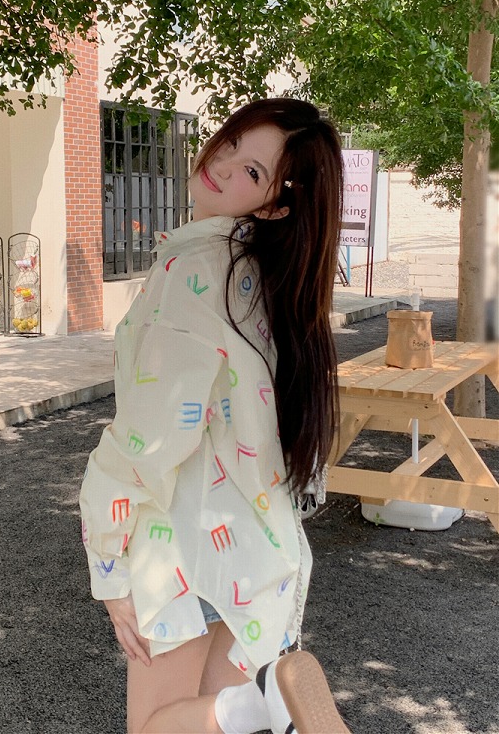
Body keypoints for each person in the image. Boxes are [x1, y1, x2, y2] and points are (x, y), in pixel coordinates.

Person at [79, 98, 351, 734]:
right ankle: (262, 705)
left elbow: (147, 439)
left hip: (183, 549)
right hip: (254, 553)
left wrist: (108, 564)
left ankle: (261, 705)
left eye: (253, 171)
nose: (222, 165)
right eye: (231, 144)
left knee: (156, 726)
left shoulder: (193, 269)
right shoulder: (260, 273)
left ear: (275, 205)